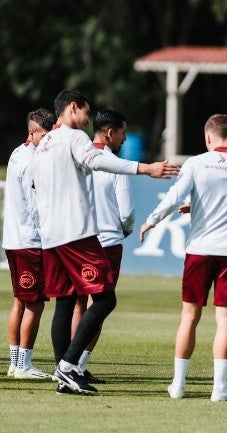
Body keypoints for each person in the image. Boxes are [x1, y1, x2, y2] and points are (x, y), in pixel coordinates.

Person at [29, 89, 179, 395]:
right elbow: (97, 161)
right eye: (85, 112)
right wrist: (144, 168)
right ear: (72, 108)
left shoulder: (43, 144)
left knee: (66, 302)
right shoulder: (73, 137)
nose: (88, 119)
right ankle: (69, 366)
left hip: (51, 236)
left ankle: (64, 375)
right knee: (105, 299)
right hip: (76, 233)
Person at [140, 114, 227, 401]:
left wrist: (151, 220)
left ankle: (178, 385)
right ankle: (219, 388)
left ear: (207, 138)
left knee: (189, 317)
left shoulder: (195, 163)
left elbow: (174, 196)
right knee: (225, 321)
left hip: (199, 251)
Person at [70, 109, 135, 385]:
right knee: (100, 305)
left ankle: (67, 361)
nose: (124, 138)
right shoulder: (114, 164)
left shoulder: (76, 160)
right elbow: (127, 212)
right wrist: (126, 230)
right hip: (108, 242)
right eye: (122, 132)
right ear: (110, 133)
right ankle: (77, 364)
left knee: (77, 304)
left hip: (78, 239)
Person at [3, 108, 56, 380]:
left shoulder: (16, 153)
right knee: (35, 304)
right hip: (30, 241)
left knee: (20, 302)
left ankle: (14, 361)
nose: (48, 141)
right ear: (32, 133)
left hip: (13, 239)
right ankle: (23, 364)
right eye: (44, 135)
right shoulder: (32, 162)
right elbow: (36, 207)